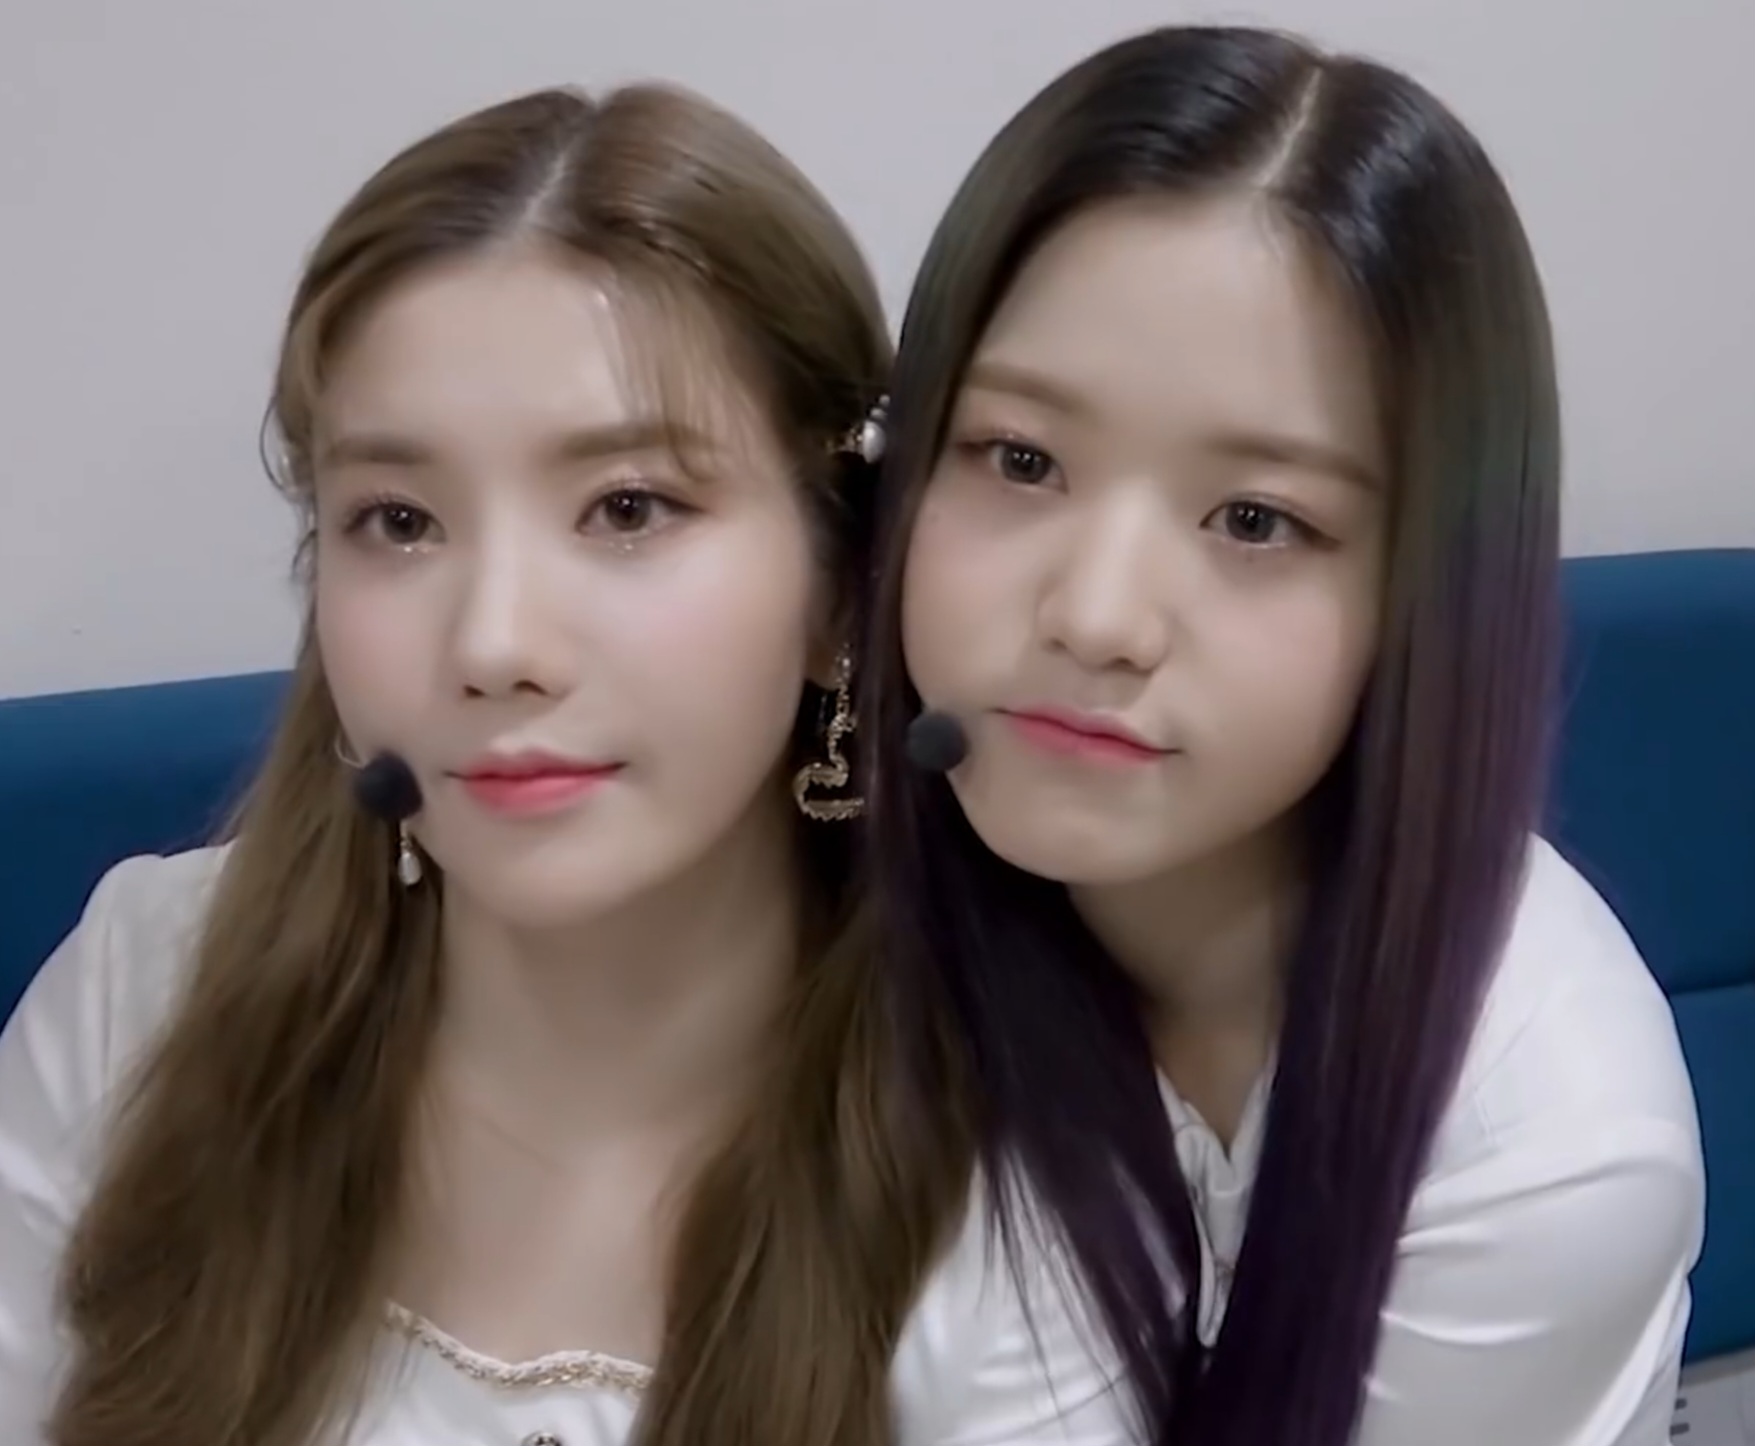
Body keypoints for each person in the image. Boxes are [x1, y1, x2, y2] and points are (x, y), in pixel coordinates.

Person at [0, 84, 1137, 1446]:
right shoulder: (144, 989)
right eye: (398, 520)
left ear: (840, 586)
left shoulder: (1024, 1195)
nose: (494, 644)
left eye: (627, 507)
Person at [864, 25, 1705, 1446]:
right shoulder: (820, 887)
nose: (1098, 616)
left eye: (1255, 519)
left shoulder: (1546, 1127)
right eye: (1021, 458)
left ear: (1425, 592)